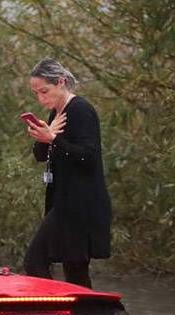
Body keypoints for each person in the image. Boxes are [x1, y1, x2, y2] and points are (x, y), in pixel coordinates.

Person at [22, 58, 111, 289]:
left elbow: (88, 157)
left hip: (80, 204)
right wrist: (47, 135)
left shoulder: (81, 110)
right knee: (76, 274)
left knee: (35, 261)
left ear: (60, 82)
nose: (41, 98)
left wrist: (52, 138)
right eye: (36, 93)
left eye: (45, 91)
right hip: (63, 201)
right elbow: (42, 156)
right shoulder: (55, 113)